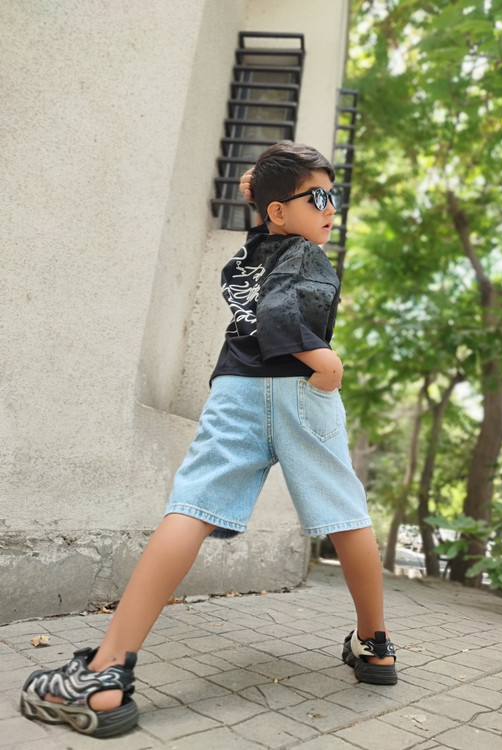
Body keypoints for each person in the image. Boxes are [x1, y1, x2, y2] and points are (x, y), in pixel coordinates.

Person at [20, 141, 397, 739]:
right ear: (279, 212)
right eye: (319, 198)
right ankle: (374, 646)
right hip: (302, 389)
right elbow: (281, 314)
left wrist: (265, 196)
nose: (332, 209)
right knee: (346, 513)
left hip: (239, 388)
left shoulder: (261, 250)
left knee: (191, 508)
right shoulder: (306, 255)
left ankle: (106, 670)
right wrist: (324, 362)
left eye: (334, 197)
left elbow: (267, 269)